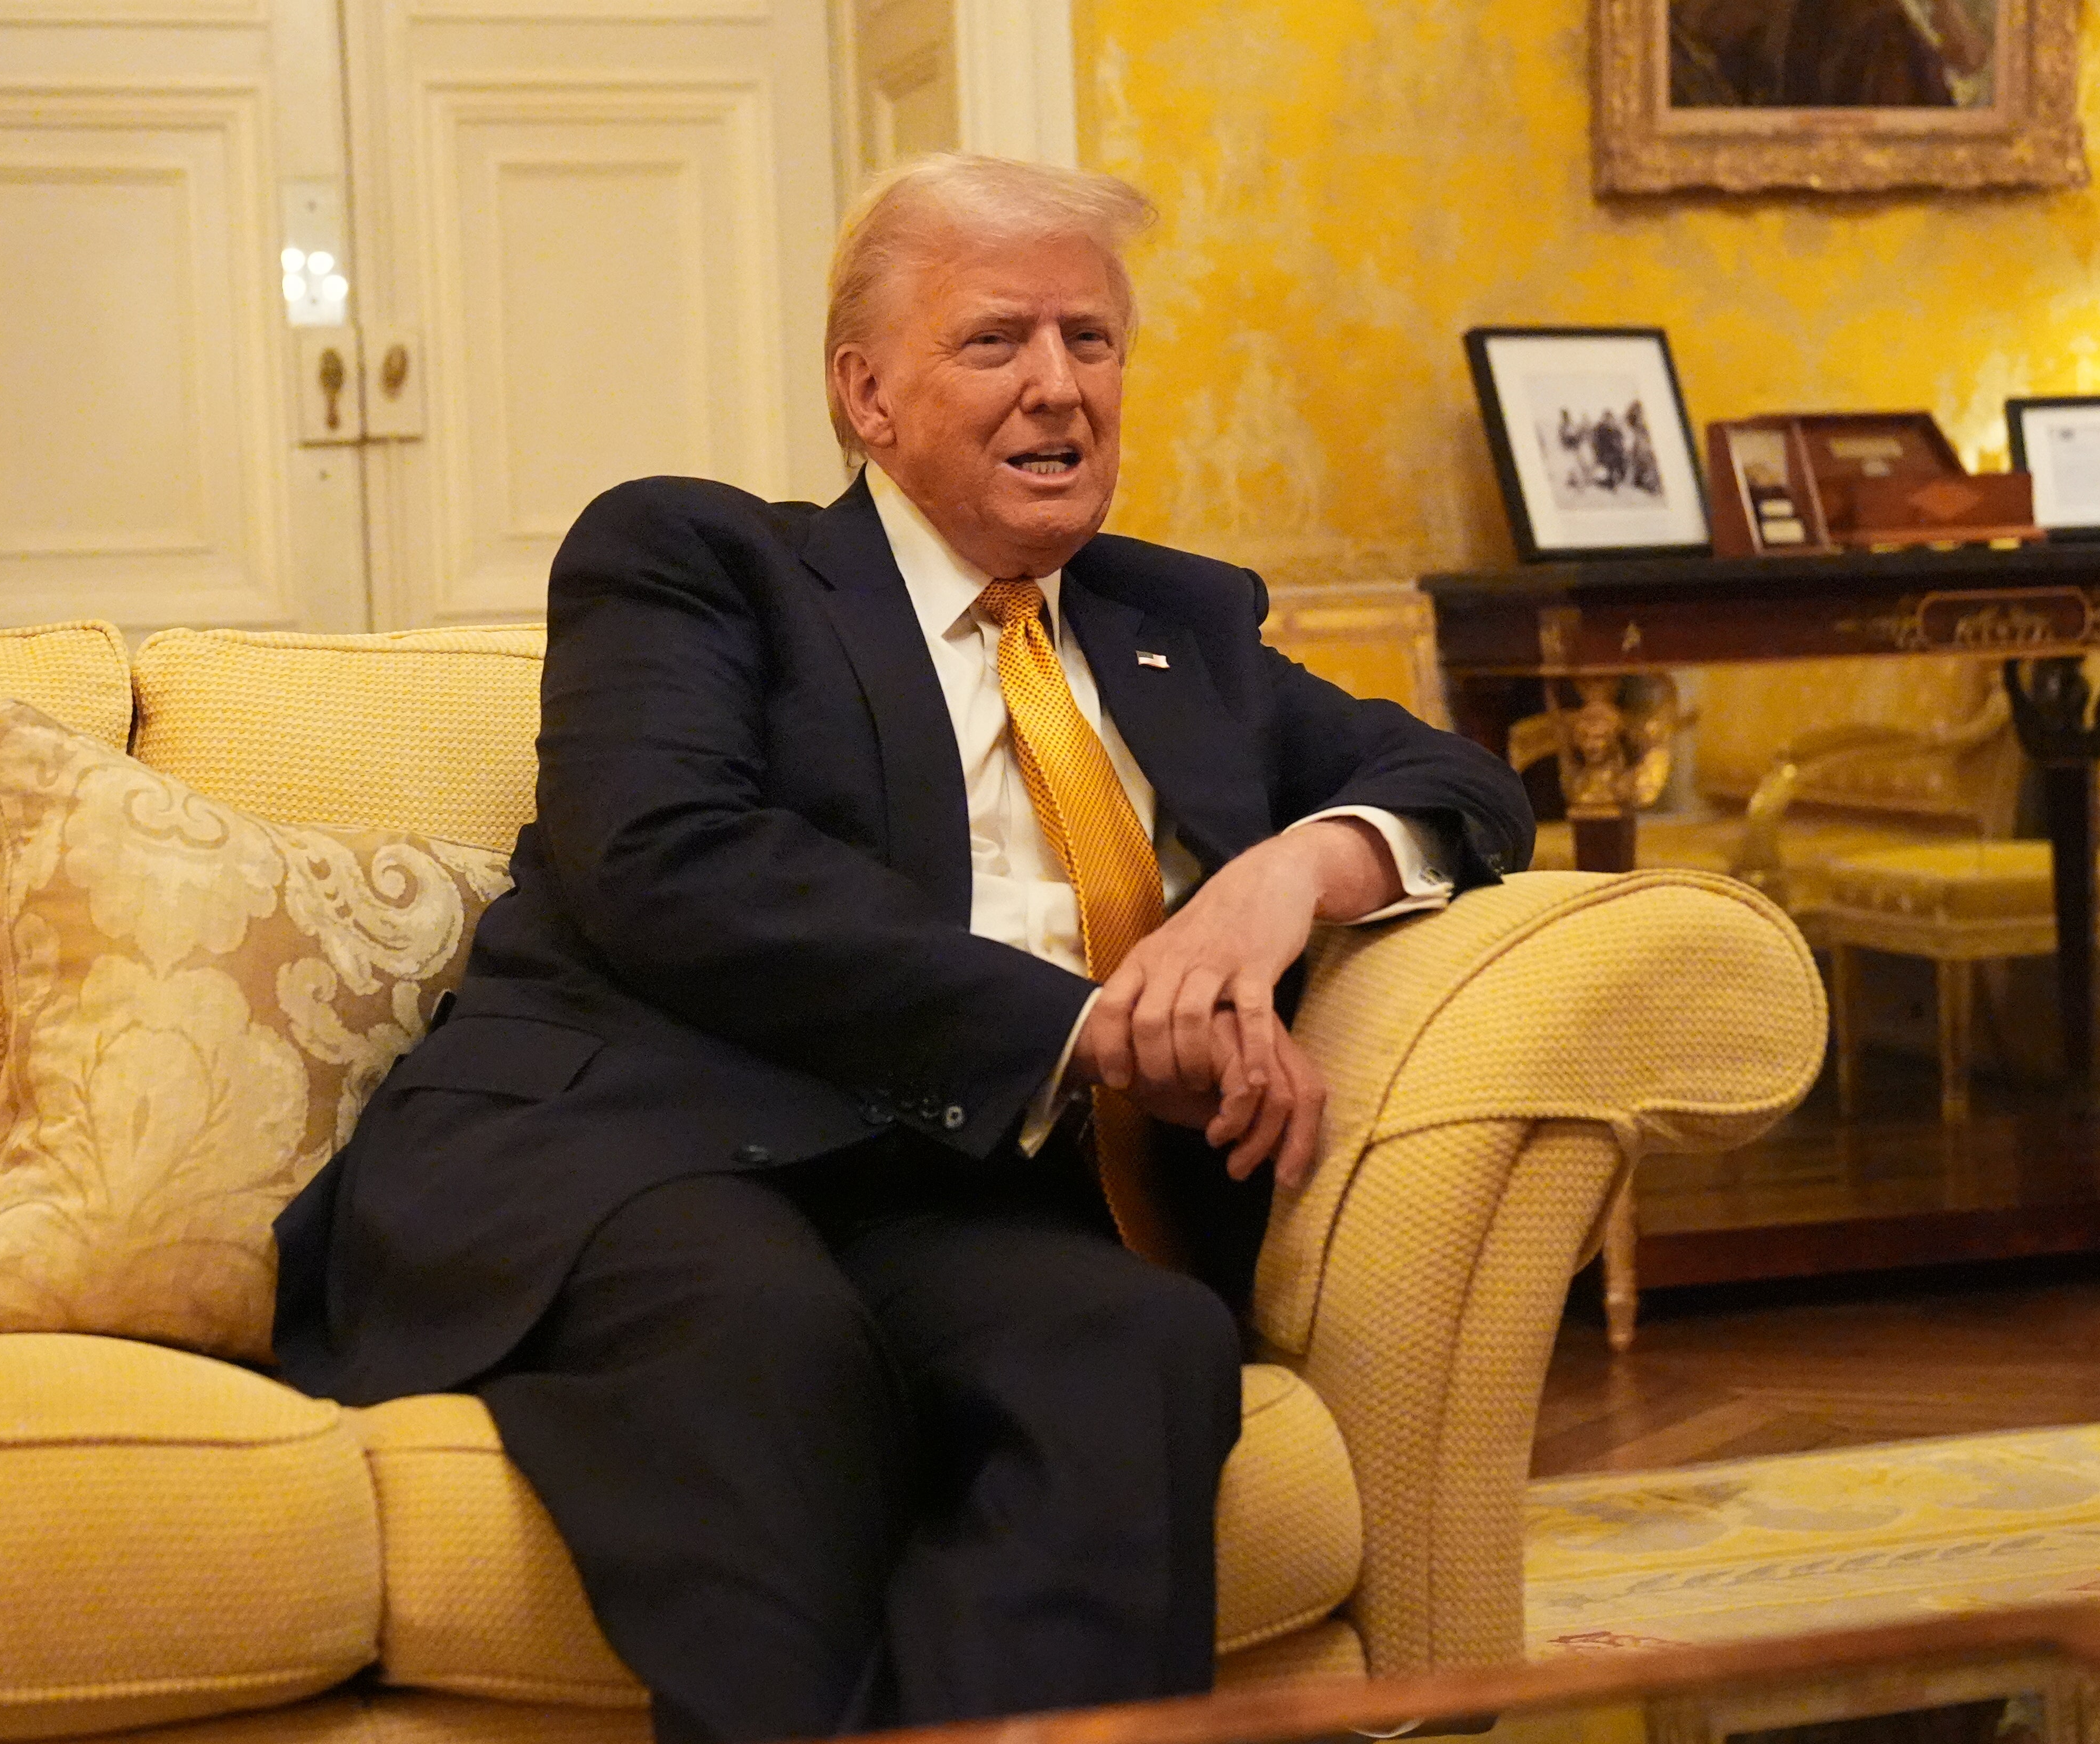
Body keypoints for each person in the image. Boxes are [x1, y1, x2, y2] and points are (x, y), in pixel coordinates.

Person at [271, 153, 1534, 1744]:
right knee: (768, 1344)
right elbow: (667, 864)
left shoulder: (1174, 630)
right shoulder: (702, 567)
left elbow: (1466, 786)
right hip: (634, 1153)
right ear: (865, 396)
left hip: (938, 1193)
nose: (1061, 387)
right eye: (997, 340)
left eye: (1093, 339)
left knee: (1139, 1343)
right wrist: (1082, 1033)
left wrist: (1286, 879)